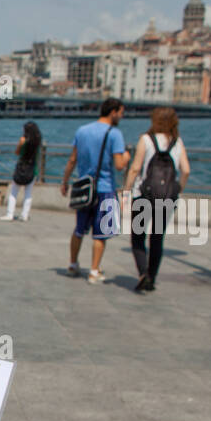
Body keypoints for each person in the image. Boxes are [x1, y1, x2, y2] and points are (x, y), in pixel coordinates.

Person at [60, 97, 129, 284]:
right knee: (101, 233)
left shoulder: (82, 130)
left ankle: (73, 264)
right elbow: (119, 165)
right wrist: (127, 156)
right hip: (105, 189)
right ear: (113, 112)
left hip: (84, 188)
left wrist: (65, 181)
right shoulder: (115, 134)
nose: (122, 117)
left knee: (79, 229)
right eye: (121, 113)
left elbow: (72, 159)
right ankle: (94, 271)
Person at [123, 106, 190, 293]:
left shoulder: (146, 140)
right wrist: (177, 189)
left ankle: (143, 273)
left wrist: (126, 191)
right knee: (157, 238)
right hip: (167, 197)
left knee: (138, 236)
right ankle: (152, 278)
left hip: (144, 195)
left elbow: (135, 168)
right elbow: (186, 170)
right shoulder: (178, 142)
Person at [0, 121, 41, 221]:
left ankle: (10, 214)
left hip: (22, 167)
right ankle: (25, 215)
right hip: (32, 168)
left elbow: (17, 152)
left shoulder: (23, 140)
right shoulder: (37, 141)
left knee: (14, 192)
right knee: (28, 193)